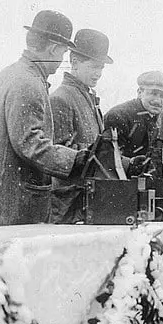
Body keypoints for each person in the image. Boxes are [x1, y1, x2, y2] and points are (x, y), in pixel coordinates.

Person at [0, 10, 85, 226]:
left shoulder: (11, 73)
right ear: (53, 48)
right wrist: (77, 159)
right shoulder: (28, 83)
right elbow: (30, 144)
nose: (61, 61)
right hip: (3, 203)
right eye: (63, 53)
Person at [48, 28, 114, 224]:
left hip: (88, 202)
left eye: (101, 68)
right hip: (69, 205)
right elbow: (58, 156)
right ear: (75, 62)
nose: (98, 74)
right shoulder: (61, 99)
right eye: (94, 67)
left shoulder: (87, 98)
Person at [103, 71, 163, 177]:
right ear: (140, 92)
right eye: (153, 93)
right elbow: (107, 159)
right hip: (118, 182)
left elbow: (162, 152)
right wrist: (133, 164)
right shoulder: (118, 115)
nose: (158, 101)